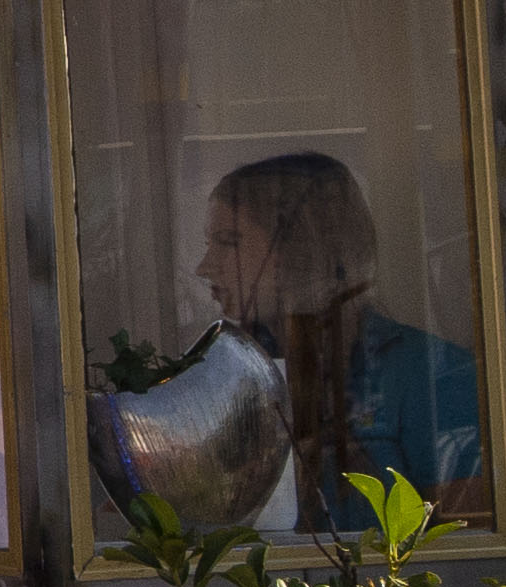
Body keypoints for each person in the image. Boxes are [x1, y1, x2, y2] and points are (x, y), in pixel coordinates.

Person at [199, 151, 484, 522]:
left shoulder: (433, 375)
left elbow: (464, 550)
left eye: (228, 241)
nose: (203, 267)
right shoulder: (227, 379)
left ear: (301, 246)